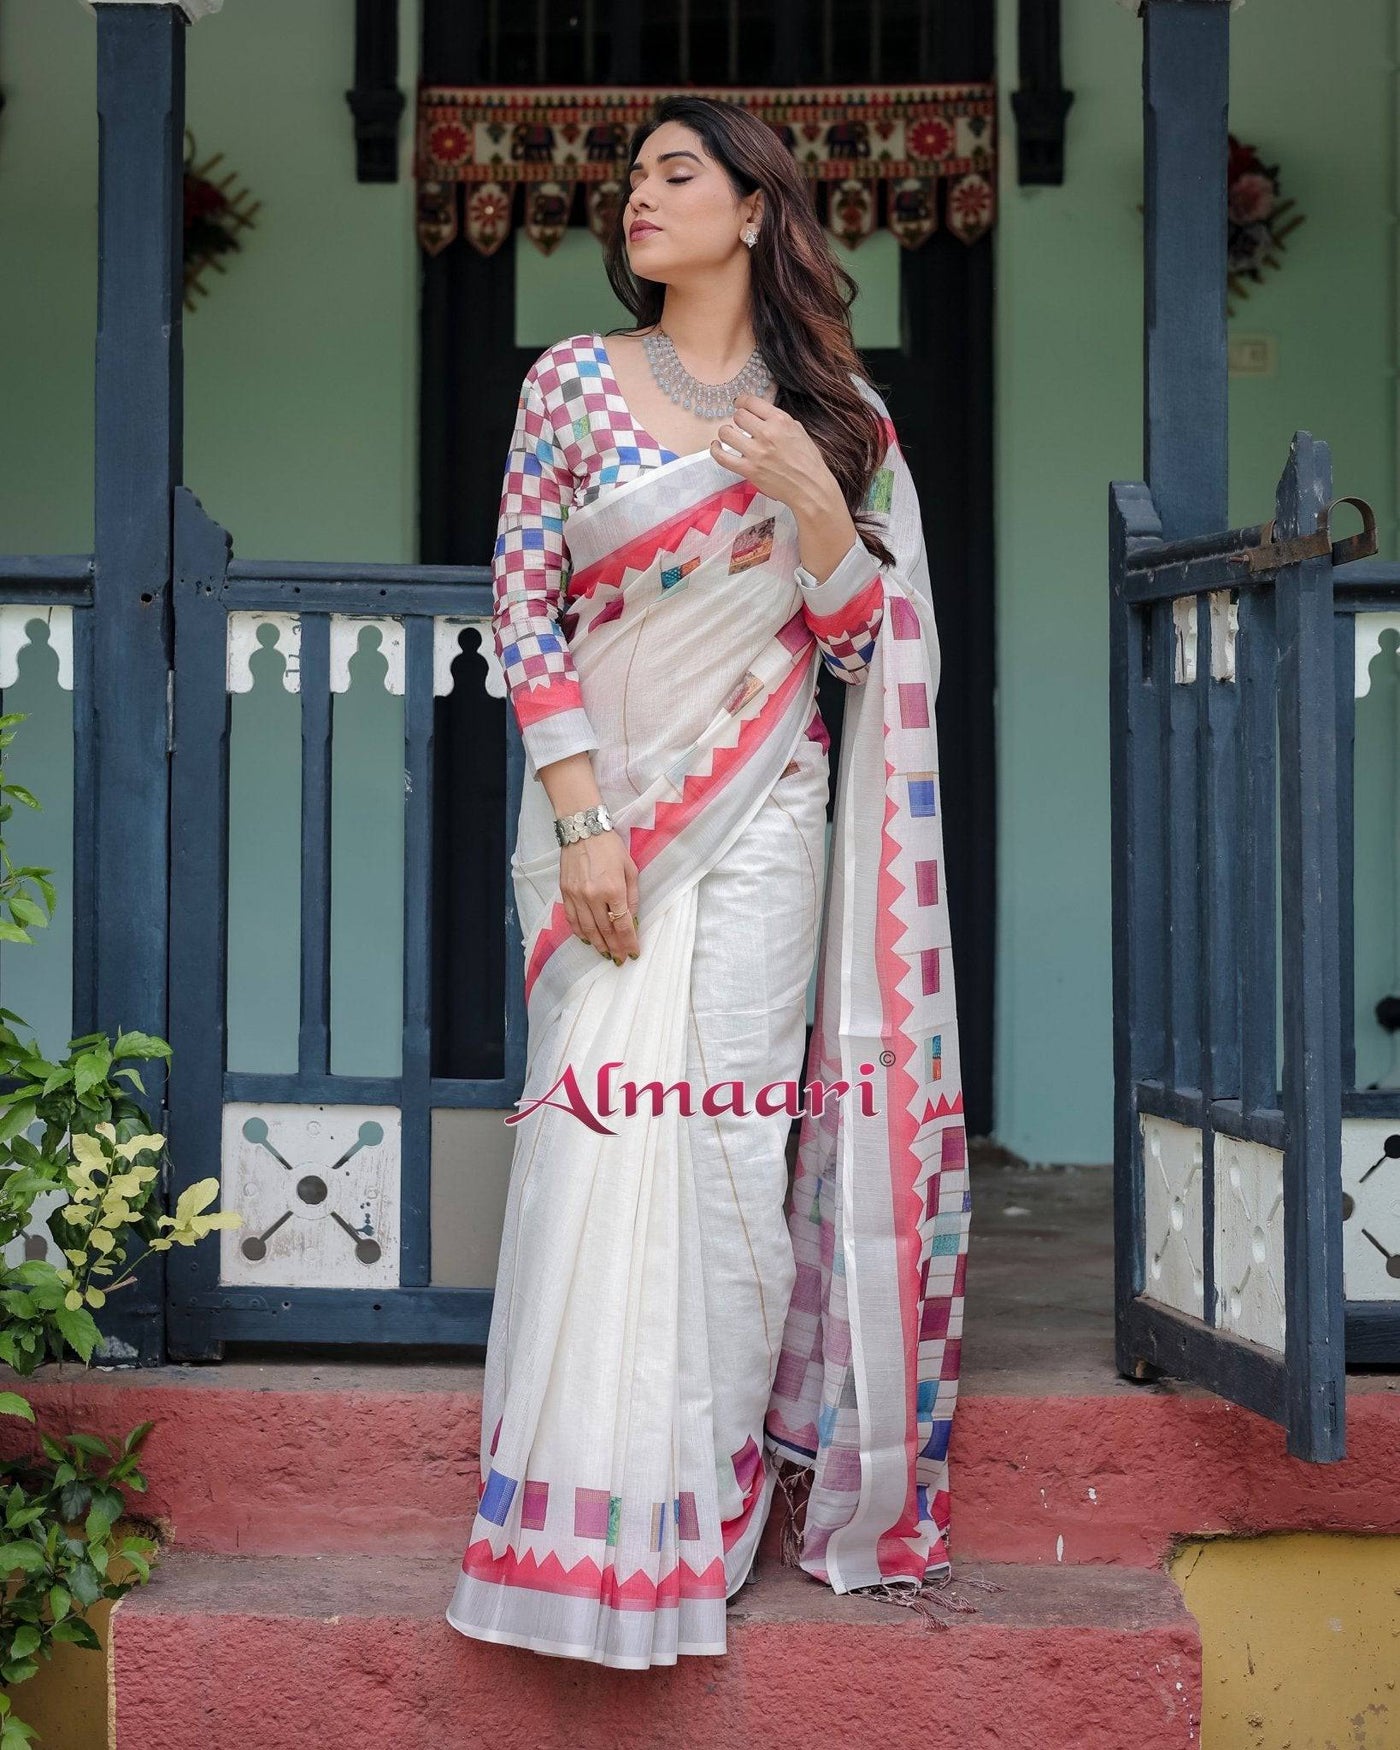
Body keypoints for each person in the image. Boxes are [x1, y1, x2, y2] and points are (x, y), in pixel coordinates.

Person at [445, 93, 971, 1670]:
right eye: (632, 178)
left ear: (755, 212)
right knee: (594, 1141)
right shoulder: (572, 385)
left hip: (761, 817)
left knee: (731, 1161)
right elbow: (523, 612)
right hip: (601, 823)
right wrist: (587, 815)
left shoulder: (844, 421)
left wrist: (820, 514)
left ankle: (703, 1501)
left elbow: (865, 643)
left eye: (677, 174)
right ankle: (574, 1515)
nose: (637, 198)